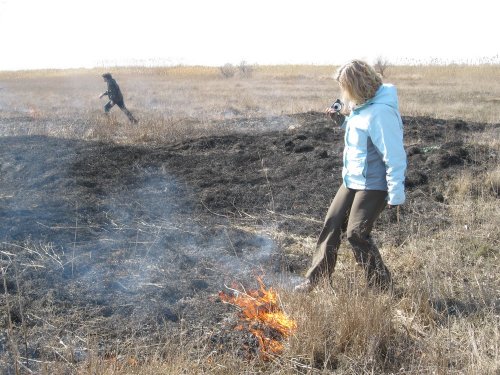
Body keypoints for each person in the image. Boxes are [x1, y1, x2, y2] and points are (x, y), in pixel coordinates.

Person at [295, 59, 407, 292]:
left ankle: (382, 287)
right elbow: (361, 134)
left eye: (345, 87)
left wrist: (395, 193)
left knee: (356, 234)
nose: (343, 93)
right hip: (352, 179)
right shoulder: (362, 106)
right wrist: (341, 121)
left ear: (357, 84)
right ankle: (314, 280)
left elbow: (394, 155)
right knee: (332, 224)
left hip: (374, 184)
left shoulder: (381, 112)